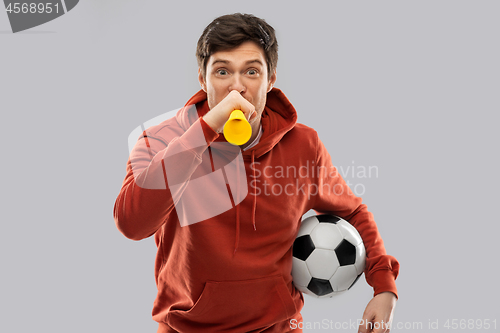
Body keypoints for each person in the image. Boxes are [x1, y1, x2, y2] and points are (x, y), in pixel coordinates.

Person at [114, 13, 399, 333]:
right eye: (222, 71)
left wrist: (384, 286)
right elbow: (132, 223)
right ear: (202, 79)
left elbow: (354, 211)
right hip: (185, 328)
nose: (237, 86)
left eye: (251, 72)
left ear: (271, 79)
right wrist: (204, 131)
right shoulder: (161, 140)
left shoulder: (304, 144)